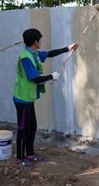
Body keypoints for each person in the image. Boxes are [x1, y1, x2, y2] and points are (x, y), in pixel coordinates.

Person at [13, 28, 78, 168]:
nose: (41, 42)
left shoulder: (33, 53)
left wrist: (68, 48)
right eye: (40, 40)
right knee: (23, 129)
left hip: (28, 97)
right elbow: (34, 78)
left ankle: (30, 154)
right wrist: (51, 76)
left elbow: (49, 54)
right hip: (22, 98)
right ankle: (20, 158)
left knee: (32, 127)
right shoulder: (26, 57)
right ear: (35, 42)